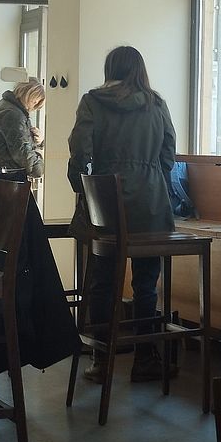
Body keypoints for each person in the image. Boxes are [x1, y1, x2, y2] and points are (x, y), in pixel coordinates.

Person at [67, 46, 176, 383]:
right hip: (150, 203)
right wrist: (151, 178)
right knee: (146, 283)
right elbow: (168, 155)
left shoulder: (92, 101)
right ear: (140, 70)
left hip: (107, 205)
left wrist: (81, 187)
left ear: (109, 68)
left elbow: (80, 152)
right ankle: (145, 357)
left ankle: (101, 359)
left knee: (103, 282)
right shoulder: (157, 104)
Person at [0, 81, 45, 178]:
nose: (33, 106)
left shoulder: (6, 106)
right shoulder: (14, 114)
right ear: (28, 94)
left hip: (0, 169)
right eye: (34, 102)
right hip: (9, 174)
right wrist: (39, 168)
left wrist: (37, 141)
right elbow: (21, 151)